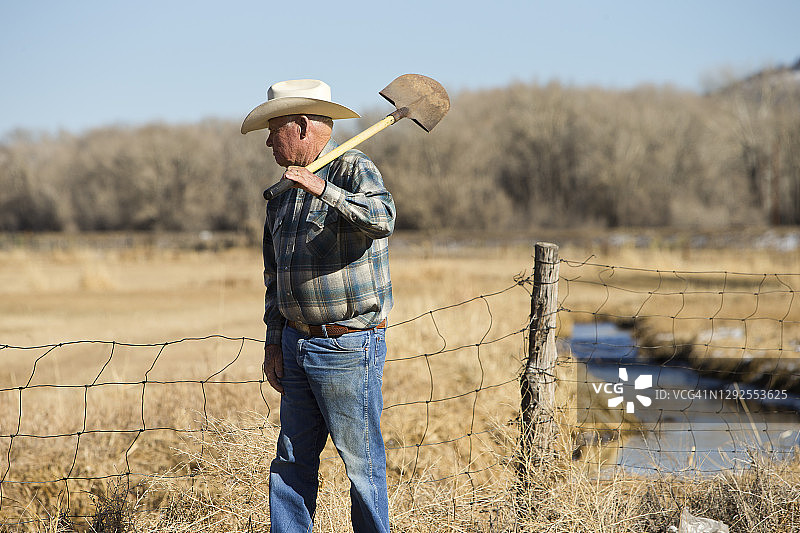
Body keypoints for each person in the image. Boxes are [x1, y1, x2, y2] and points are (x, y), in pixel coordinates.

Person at [241, 79, 395, 533]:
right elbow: (275, 279)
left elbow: (383, 219)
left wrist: (322, 189)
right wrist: (274, 343)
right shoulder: (281, 194)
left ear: (303, 125)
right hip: (295, 344)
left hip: (345, 346)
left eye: (274, 129)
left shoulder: (352, 169)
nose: (268, 140)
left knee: (361, 465)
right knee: (291, 462)